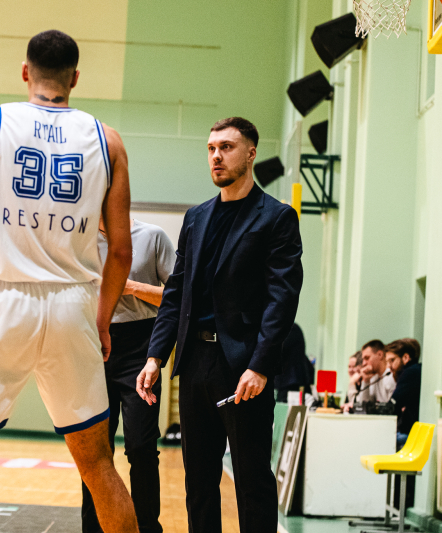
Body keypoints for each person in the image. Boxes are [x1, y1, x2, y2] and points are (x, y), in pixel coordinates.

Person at [0, 30, 139, 533]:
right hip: (72, 305)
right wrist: (101, 321)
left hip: (1, 302)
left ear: (25, 72)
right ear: (75, 78)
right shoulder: (108, 141)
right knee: (98, 466)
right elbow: (122, 251)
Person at [135, 117, 303, 533]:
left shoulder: (277, 217)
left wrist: (260, 365)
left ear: (251, 153)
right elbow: (176, 294)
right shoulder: (196, 217)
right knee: (199, 481)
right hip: (195, 362)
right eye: (211, 148)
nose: (216, 156)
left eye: (226, 147)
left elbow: (282, 300)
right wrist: (156, 356)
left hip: (243, 365)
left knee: (251, 479)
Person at [81, 218, 175, 533]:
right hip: (93, 344)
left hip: (141, 347)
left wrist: (130, 286)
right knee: (94, 451)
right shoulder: (78, 237)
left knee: (141, 447)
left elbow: (177, 297)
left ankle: (147, 527)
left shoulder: (152, 236)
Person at [384, 338, 422, 450]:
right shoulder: (415, 370)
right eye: (387, 362)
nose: (389, 366)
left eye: (392, 360)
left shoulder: (410, 372)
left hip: (409, 433)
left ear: (405, 357)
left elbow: (393, 405)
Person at [274, 323, 314, 402]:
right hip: (292, 381)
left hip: (291, 382)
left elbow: (276, 350)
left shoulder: (289, 328)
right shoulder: (292, 328)